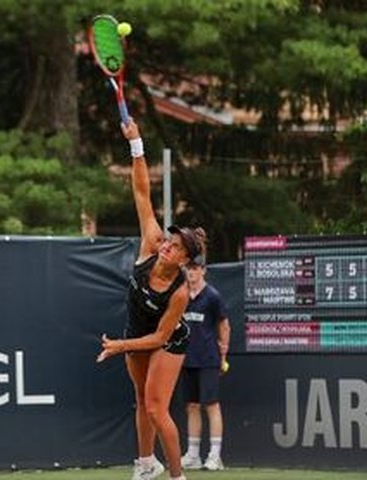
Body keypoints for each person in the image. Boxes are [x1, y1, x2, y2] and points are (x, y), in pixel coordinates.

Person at [97, 118, 206, 480]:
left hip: (166, 341)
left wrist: (119, 346)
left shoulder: (179, 293)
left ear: (185, 260)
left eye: (174, 247)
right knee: (141, 402)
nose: (166, 246)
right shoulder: (151, 243)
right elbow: (142, 193)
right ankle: (146, 465)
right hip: (135, 333)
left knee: (158, 409)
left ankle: (177, 476)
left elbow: (159, 338)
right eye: (167, 241)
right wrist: (137, 143)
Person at [179, 256, 230, 471]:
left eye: (195, 268)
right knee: (191, 406)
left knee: (211, 405)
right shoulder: (181, 296)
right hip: (186, 359)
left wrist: (223, 354)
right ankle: (193, 455)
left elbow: (224, 325)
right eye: (188, 268)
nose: (191, 272)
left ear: (203, 270)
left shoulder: (212, 296)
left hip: (208, 359)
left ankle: (215, 456)